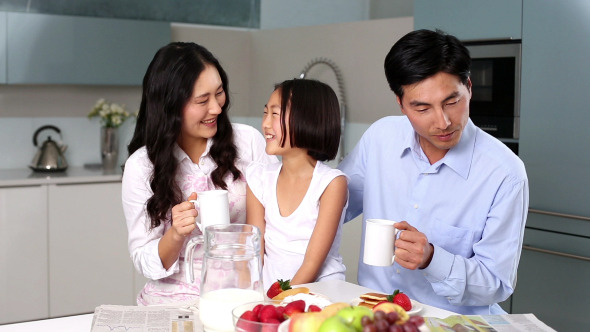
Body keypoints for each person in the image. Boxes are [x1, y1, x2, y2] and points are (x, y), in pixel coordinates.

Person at [338, 29, 529, 315]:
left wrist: (432, 258)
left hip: (450, 322)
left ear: (469, 87)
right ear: (401, 104)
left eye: (452, 101)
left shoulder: (506, 174)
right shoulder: (380, 137)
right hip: (373, 313)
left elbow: (497, 283)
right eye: (423, 108)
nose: (443, 122)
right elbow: (333, 206)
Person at [122, 42, 276, 305]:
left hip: (239, 296)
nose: (216, 108)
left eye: (219, 93)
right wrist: (176, 234)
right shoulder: (142, 166)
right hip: (169, 302)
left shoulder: (248, 142)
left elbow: (275, 225)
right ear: (170, 107)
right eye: (202, 100)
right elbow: (143, 261)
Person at [246, 79, 348, 291]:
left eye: (275, 114)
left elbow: (312, 263)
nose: (265, 123)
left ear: (308, 119)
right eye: (266, 113)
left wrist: (283, 300)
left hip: (321, 289)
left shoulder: (331, 184)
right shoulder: (258, 178)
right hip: (272, 292)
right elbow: (255, 252)